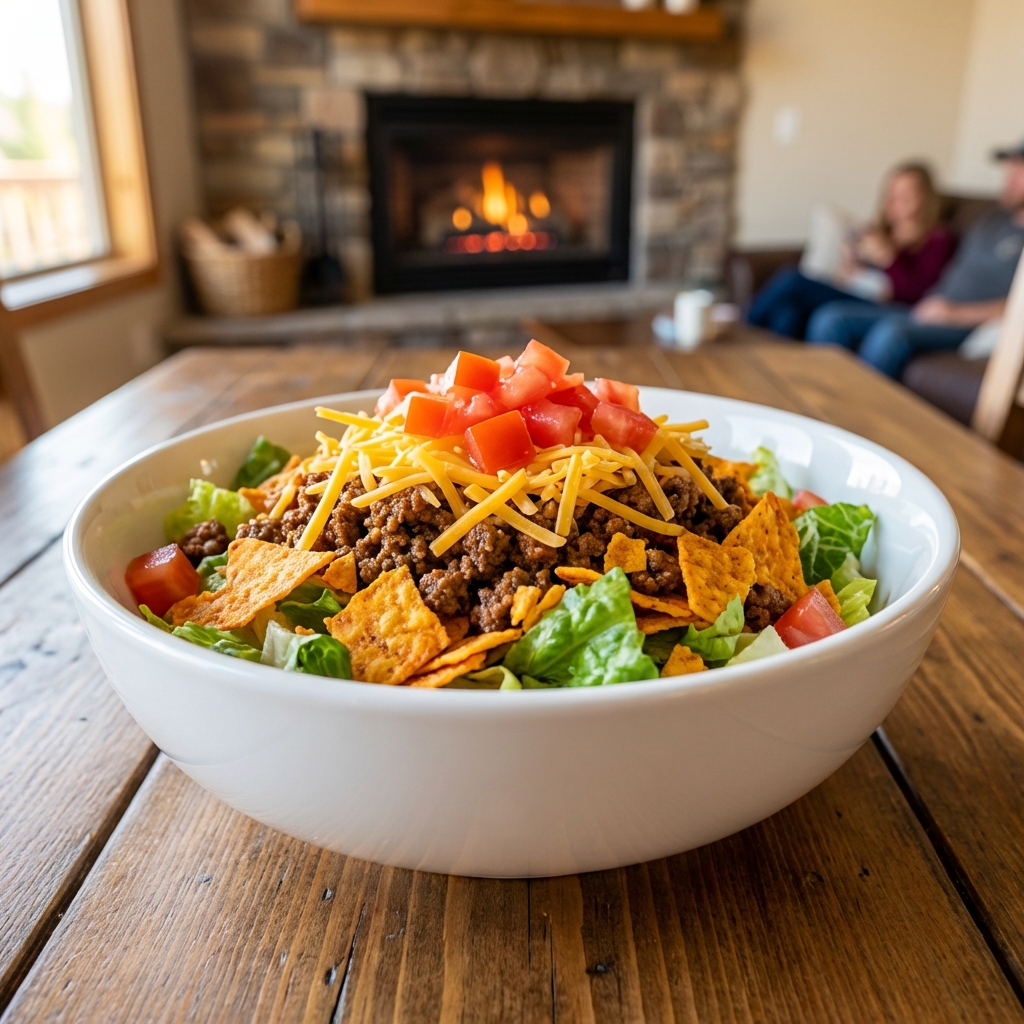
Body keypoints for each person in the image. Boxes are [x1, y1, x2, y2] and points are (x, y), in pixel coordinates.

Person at [808, 142, 1024, 378]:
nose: (1008, 177)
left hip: (964, 323)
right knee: (831, 318)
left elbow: (1018, 308)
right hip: (928, 308)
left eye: (1020, 169)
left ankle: (851, 401)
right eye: (1009, 167)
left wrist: (954, 313)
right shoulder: (991, 220)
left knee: (890, 334)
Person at [747, 163, 955, 339]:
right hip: (855, 292)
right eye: (890, 194)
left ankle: (742, 325)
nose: (892, 202)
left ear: (924, 198)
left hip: (886, 304)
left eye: (904, 195)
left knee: (793, 279)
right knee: (787, 311)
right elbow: (848, 276)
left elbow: (919, 292)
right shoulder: (879, 232)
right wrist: (852, 264)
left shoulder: (937, 240)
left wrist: (888, 259)